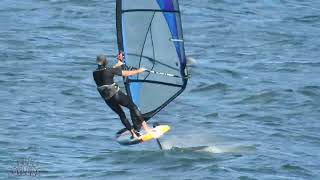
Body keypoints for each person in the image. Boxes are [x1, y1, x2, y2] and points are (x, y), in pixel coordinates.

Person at [93, 52, 154, 139]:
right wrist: (140, 70)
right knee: (133, 107)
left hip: (107, 98)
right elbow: (126, 73)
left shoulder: (95, 73)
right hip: (116, 95)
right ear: (105, 62)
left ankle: (133, 134)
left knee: (121, 114)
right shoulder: (109, 70)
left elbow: (108, 71)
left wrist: (119, 64)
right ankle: (146, 128)